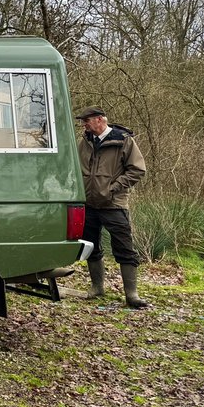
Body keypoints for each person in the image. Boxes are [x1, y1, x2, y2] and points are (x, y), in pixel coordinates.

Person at [75, 107, 148, 308]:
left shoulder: (123, 141)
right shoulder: (85, 141)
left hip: (114, 205)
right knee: (91, 248)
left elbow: (137, 170)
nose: (84, 124)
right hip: (88, 204)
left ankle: (131, 294)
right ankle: (97, 287)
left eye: (87, 120)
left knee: (124, 249)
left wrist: (113, 188)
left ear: (100, 120)